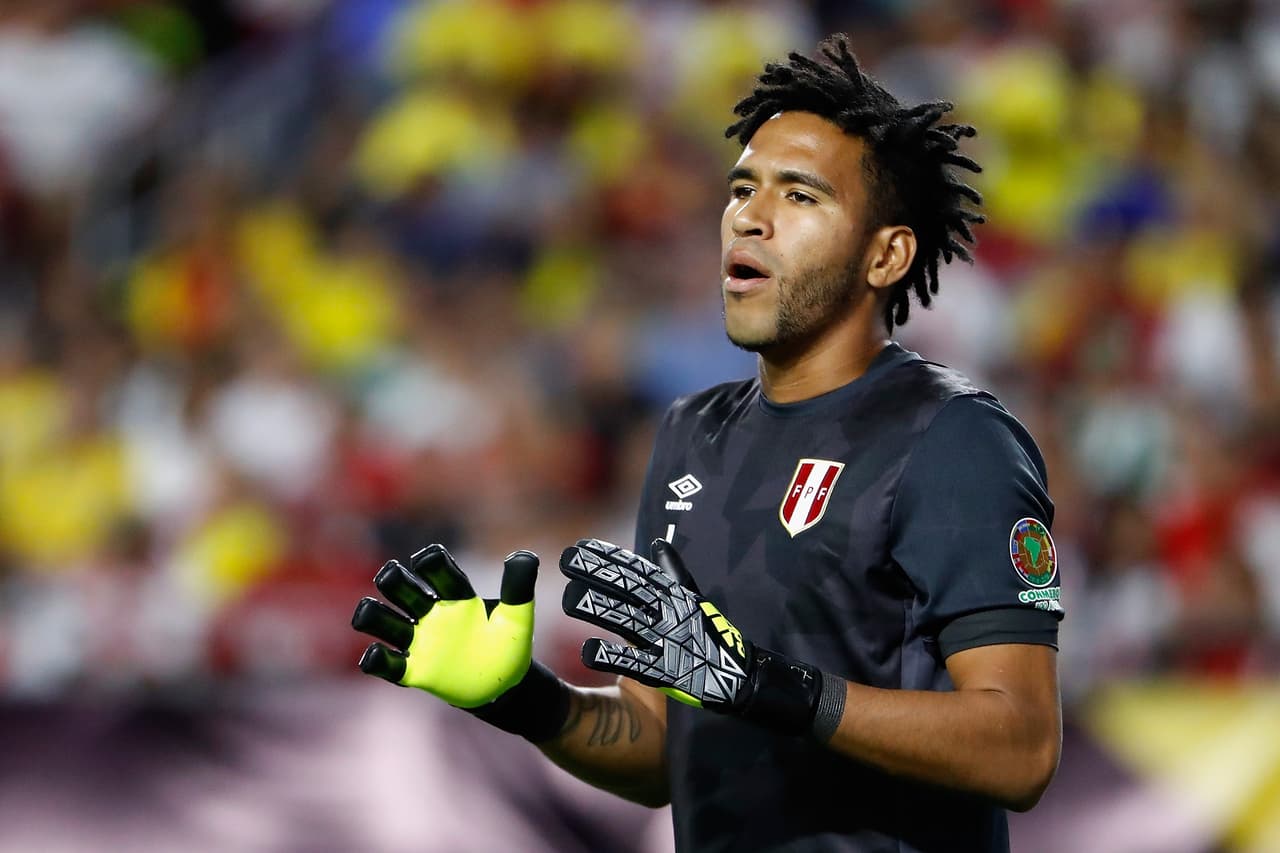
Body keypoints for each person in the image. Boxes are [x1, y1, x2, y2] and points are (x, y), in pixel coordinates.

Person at [352, 35, 1063, 853]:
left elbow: (1022, 747)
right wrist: (526, 700)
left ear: (887, 254)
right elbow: (662, 747)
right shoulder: (691, 432)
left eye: (799, 196)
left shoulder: (953, 436)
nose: (749, 218)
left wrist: (770, 687)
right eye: (741, 189)